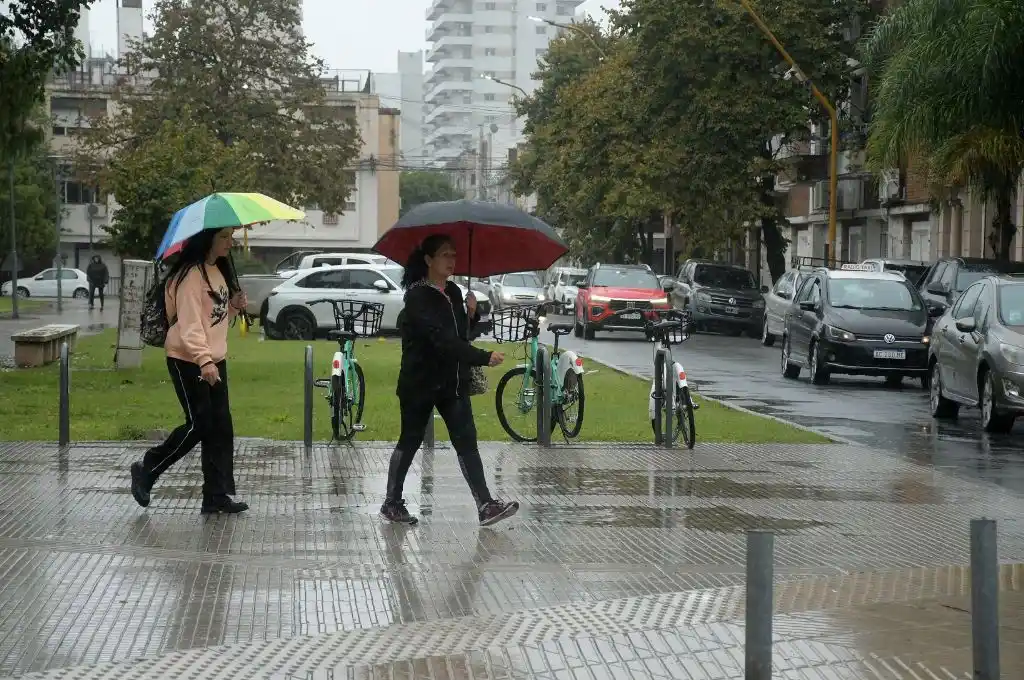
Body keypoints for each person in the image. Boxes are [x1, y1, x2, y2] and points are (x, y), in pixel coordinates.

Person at [381, 233, 519, 527]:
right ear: (429, 260)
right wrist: (483, 357)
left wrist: (470, 315)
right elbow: (441, 341)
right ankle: (392, 503)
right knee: (411, 439)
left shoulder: (454, 292)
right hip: (420, 383)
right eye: (445, 255)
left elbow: (459, 336)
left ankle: (486, 505)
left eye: (454, 255)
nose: (451, 260)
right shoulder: (417, 296)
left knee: (466, 440)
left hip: (452, 383)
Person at [129, 227, 249, 515]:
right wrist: (204, 361)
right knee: (200, 423)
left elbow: (213, 318)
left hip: (213, 358)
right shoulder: (190, 277)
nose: (229, 242)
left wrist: (232, 306)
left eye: (231, 236)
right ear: (208, 240)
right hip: (188, 358)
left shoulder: (216, 271)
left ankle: (216, 496)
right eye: (223, 237)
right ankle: (147, 468)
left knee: (220, 427)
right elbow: (190, 325)